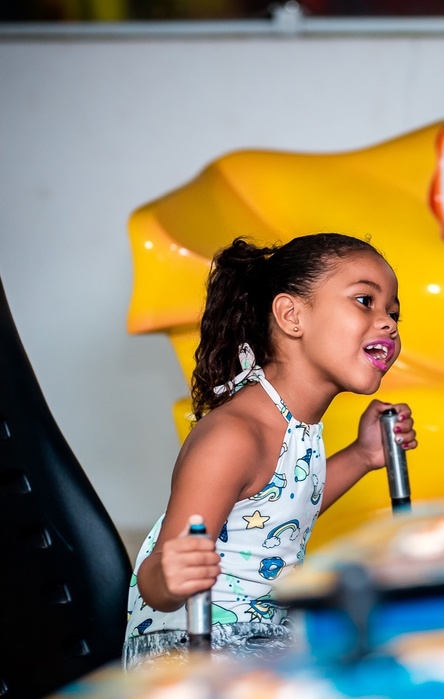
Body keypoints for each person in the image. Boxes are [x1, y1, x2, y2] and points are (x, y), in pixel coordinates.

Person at [123, 233, 416, 670]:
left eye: (393, 313)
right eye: (364, 301)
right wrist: (171, 573)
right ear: (291, 316)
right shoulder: (234, 435)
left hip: (261, 632)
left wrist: (362, 455)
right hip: (191, 648)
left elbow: (286, 503)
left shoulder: (294, 425)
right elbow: (156, 574)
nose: (388, 322)